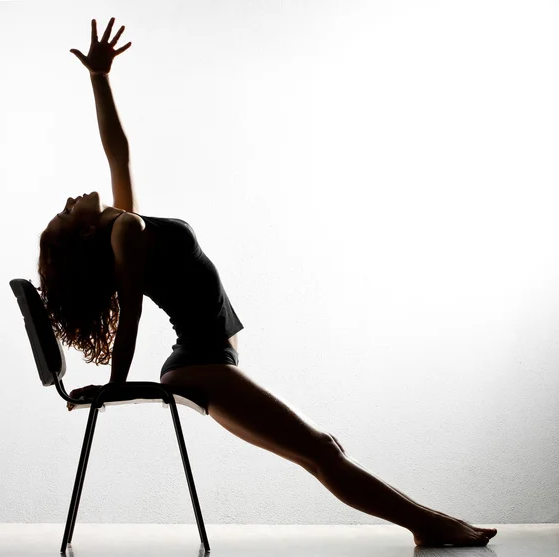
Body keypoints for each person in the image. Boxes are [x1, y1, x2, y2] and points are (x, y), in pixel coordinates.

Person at [37, 18, 498, 547]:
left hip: (208, 360)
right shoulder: (128, 232)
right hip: (201, 366)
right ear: (83, 239)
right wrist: (117, 384)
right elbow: (133, 315)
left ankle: (432, 525)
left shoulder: (126, 226)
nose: (71, 200)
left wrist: (99, 78)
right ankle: (432, 528)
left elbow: (118, 150)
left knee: (323, 449)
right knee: (321, 449)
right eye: (65, 213)